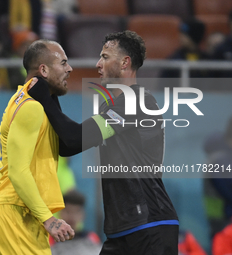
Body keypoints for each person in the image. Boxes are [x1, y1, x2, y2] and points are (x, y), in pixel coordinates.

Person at [28, 30, 179, 255]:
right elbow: (68, 146)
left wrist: (47, 98)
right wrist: (51, 93)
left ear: (125, 62)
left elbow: (74, 137)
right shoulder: (113, 106)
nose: (98, 64)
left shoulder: (137, 102)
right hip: (121, 230)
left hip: (150, 226)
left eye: (105, 57)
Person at [0, 39, 75, 255]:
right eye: (63, 63)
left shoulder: (21, 100)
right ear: (44, 70)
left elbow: (70, 140)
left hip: (0, 216)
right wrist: (48, 219)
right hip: (16, 217)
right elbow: (18, 171)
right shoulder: (31, 108)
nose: (70, 69)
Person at [50, 190, 102, 255]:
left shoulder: (91, 238)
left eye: (76, 212)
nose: (72, 216)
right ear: (60, 213)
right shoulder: (51, 240)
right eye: (68, 211)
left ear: (83, 215)